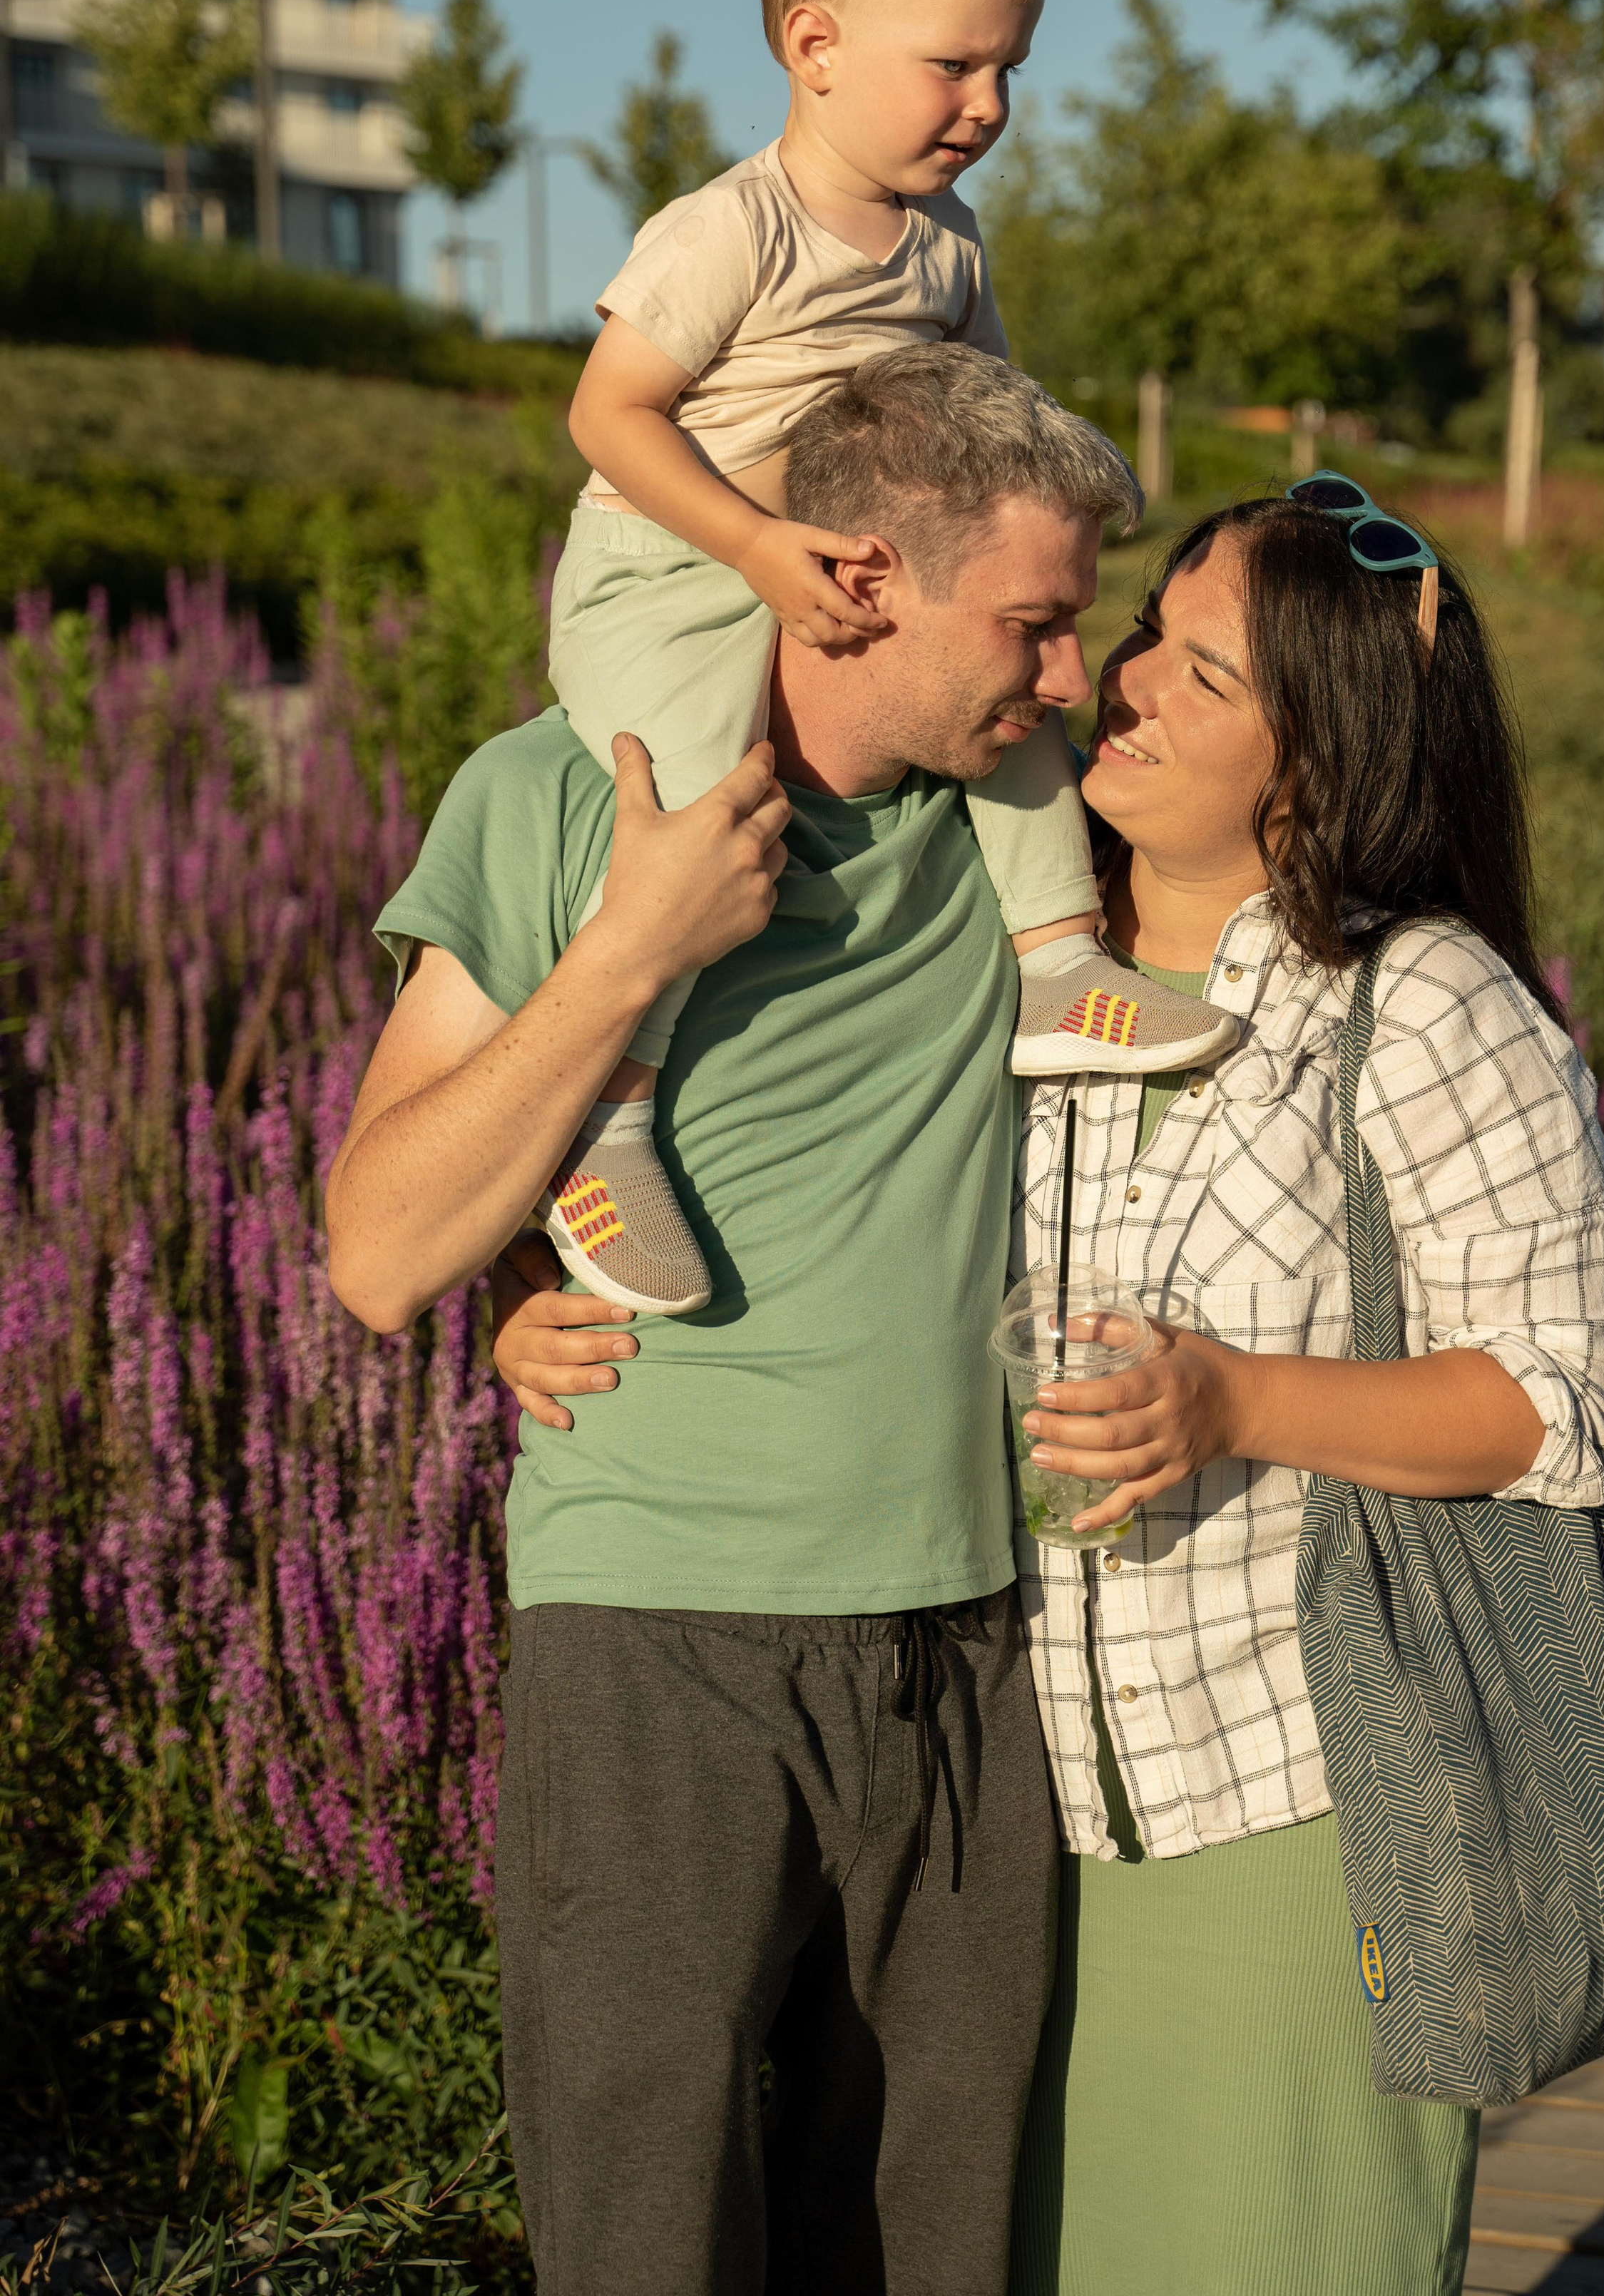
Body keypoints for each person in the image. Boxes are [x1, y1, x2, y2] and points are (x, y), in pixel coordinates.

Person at [325, 345, 1138, 2296]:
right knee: (649, 2240)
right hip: (657, 1642)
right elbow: (373, 1248)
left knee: (933, 2247)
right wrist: (627, 958)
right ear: (857, 578)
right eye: (1030, 625)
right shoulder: (551, 798)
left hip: (967, 1641)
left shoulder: (1019, 837)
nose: (1060, 680)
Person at [1000, 492, 1604, 2296]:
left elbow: (1554, 1401)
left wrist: (1229, 1401)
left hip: (1288, 1810)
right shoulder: (1001, 963)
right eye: (1145, 632)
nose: (1123, 684)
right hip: (991, 1817)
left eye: (1202, 675)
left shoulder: (1418, 1001)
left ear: (1314, 762)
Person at [533, 0, 1230, 1320]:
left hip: (842, 569)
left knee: (1019, 685)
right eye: (956, 67)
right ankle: (610, 1115)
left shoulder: (947, 247)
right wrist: (750, 545)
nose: (987, 108)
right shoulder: (733, 230)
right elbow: (606, 416)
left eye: (1009, 74)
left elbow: (987, 437)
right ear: (816, 46)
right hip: (671, 567)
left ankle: (1053, 965)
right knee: (703, 800)